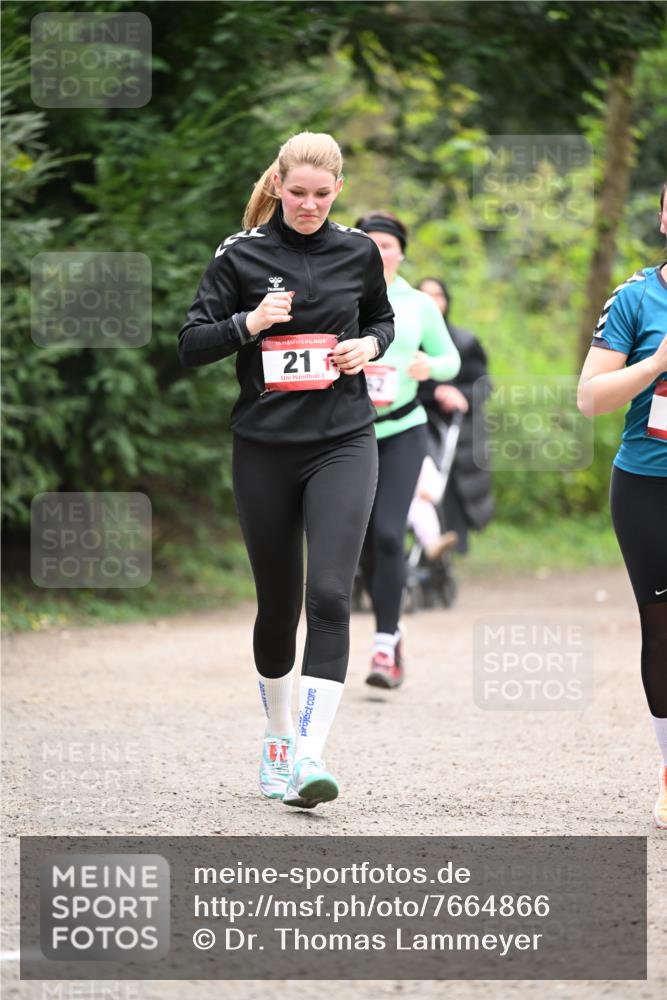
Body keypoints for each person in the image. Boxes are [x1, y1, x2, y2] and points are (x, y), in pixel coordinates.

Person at [177, 132, 394, 809]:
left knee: (330, 595)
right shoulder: (239, 255)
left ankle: (308, 754)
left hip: (343, 441)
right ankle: (276, 740)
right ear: (276, 184)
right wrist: (249, 323)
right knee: (279, 608)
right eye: (296, 193)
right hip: (265, 449)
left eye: (321, 196)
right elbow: (190, 344)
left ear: (338, 191)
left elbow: (381, 319)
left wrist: (368, 344)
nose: (307, 205)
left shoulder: (358, 251)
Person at [577, 181, 667, 829]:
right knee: (662, 629)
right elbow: (590, 398)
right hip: (647, 487)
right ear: (662, 216)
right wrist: (655, 365)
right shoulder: (636, 298)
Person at [355, 212, 461, 688]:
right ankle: (391, 632)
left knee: (386, 534)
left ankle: (383, 648)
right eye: (369, 244)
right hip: (349, 435)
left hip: (403, 430)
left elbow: (450, 359)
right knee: (362, 545)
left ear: (401, 251)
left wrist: (426, 367)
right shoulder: (340, 295)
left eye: (388, 245)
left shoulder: (418, 304)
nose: (379, 253)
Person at [417, 277, 494, 554]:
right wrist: (434, 392)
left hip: (458, 431)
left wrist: (459, 395)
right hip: (415, 425)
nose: (432, 302)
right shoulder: (405, 339)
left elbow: (483, 384)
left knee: (451, 490)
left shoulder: (465, 342)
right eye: (425, 296)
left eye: (437, 295)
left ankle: (445, 554)